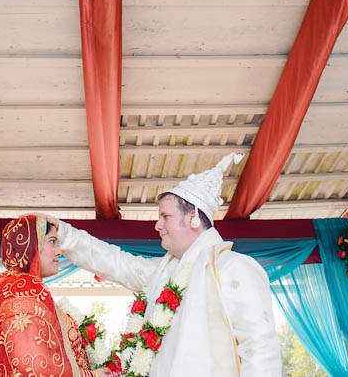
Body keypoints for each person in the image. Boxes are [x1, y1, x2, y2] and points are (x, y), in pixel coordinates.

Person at [40, 153, 282, 377]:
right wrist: (64, 234)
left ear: (193, 216)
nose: (157, 225)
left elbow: (259, 349)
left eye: (165, 216)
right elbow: (116, 263)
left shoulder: (233, 267)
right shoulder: (163, 272)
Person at [0, 215, 112, 377]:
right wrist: (92, 376)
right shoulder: (22, 288)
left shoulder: (11, 285)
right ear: (31, 245)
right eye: (52, 242)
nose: (59, 251)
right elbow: (33, 365)